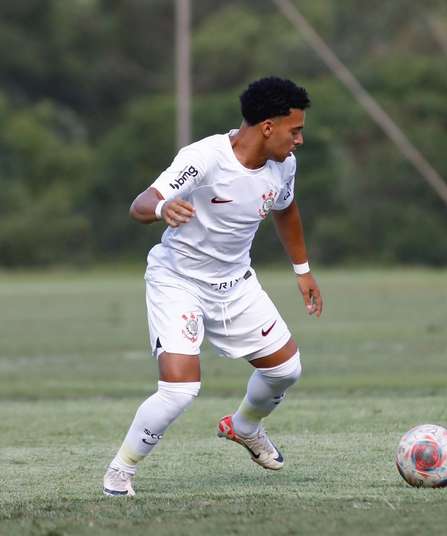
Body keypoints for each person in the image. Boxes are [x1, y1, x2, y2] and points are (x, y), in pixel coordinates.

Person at [103, 77, 323, 496]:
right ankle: (120, 470)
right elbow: (140, 204)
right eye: (295, 130)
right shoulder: (205, 157)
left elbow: (286, 209)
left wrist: (303, 270)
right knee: (180, 390)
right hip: (178, 280)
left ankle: (243, 426)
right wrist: (165, 206)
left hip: (236, 284)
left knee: (285, 370)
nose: (299, 140)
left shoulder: (284, 166)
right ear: (267, 127)